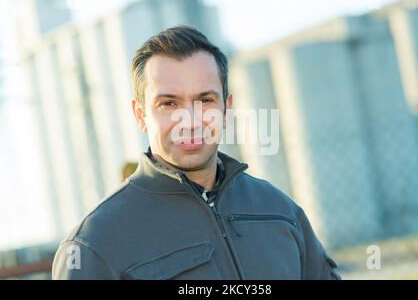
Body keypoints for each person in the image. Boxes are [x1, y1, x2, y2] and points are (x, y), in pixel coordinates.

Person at [52, 26, 340, 280]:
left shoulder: (279, 211)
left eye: (204, 100)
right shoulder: (95, 245)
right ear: (140, 115)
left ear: (226, 108)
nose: (189, 120)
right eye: (169, 103)